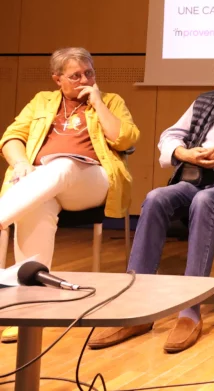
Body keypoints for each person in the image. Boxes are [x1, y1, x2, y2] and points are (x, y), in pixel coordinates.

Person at [88, 50, 214, 354]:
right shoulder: (204, 101)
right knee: (156, 197)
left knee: (205, 202)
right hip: (199, 177)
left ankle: (190, 310)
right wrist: (184, 154)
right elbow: (170, 135)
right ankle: (135, 307)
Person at [0, 48, 138, 343]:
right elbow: (12, 137)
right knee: (35, 206)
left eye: (89, 73)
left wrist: (98, 102)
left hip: (92, 182)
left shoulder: (111, 100)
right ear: (57, 79)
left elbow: (125, 138)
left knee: (64, 165)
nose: (84, 79)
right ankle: (29, 306)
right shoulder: (41, 101)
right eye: (75, 76)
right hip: (43, 182)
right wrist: (23, 164)